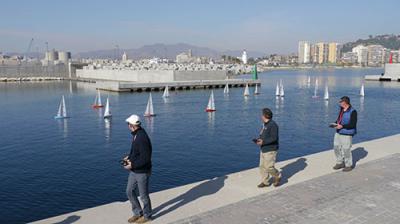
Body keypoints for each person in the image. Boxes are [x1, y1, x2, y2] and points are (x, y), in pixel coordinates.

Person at [123, 114, 153, 223]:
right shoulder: (136, 135)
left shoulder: (142, 137)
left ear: (132, 125)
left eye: (128, 124)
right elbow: (137, 152)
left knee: (144, 196)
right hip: (135, 170)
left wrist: (132, 165)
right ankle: (138, 212)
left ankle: (147, 216)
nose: (128, 126)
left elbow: (145, 158)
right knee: (129, 191)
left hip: (142, 172)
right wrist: (129, 157)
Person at [254, 108, 281, 188]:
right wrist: (259, 140)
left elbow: (274, 138)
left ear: (265, 116)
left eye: (262, 115)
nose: (261, 116)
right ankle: (265, 182)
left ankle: (277, 175)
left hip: (271, 150)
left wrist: (263, 142)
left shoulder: (273, 125)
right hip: (263, 149)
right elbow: (264, 135)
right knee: (262, 166)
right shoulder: (265, 124)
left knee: (269, 167)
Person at [332, 96, 357, 172]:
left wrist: (342, 126)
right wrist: (335, 124)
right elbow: (339, 120)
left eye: (340, 102)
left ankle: (348, 165)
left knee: (346, 149)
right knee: (336, 147)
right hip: (338, 132)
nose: (339, 103)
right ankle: (339, 162)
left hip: (347, 133)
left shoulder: (353, 111)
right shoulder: (342, 110)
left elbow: (353, 124)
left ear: (345, 102)